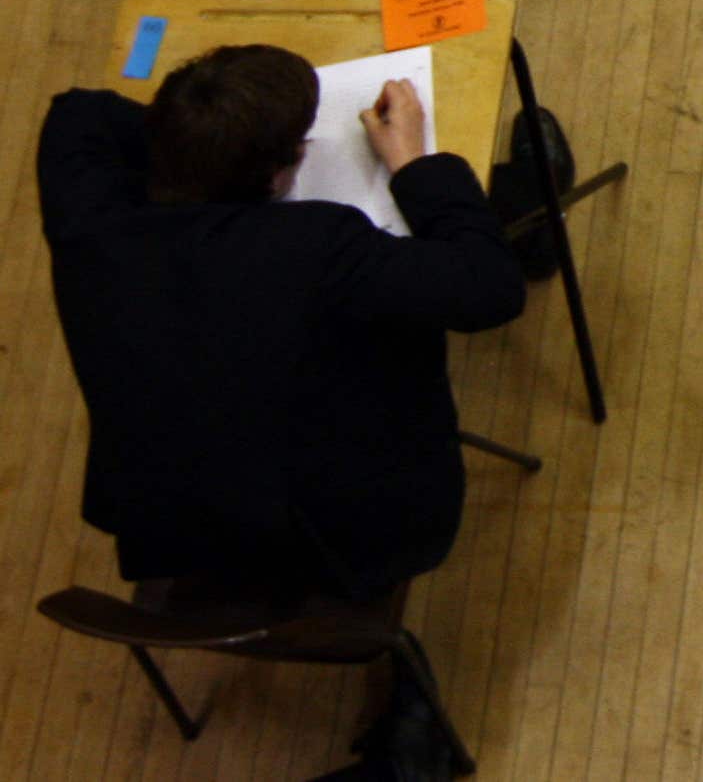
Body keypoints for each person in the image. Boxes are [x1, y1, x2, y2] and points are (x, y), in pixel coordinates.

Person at [36, 46, 527, 601]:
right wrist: (412, 163)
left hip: (174, 533)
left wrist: (202, 133)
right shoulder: (313, 248)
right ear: (275, 177)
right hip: (347, 540)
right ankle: (522, 206)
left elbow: (77, 110)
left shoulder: (89, 222)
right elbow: (490, 288)